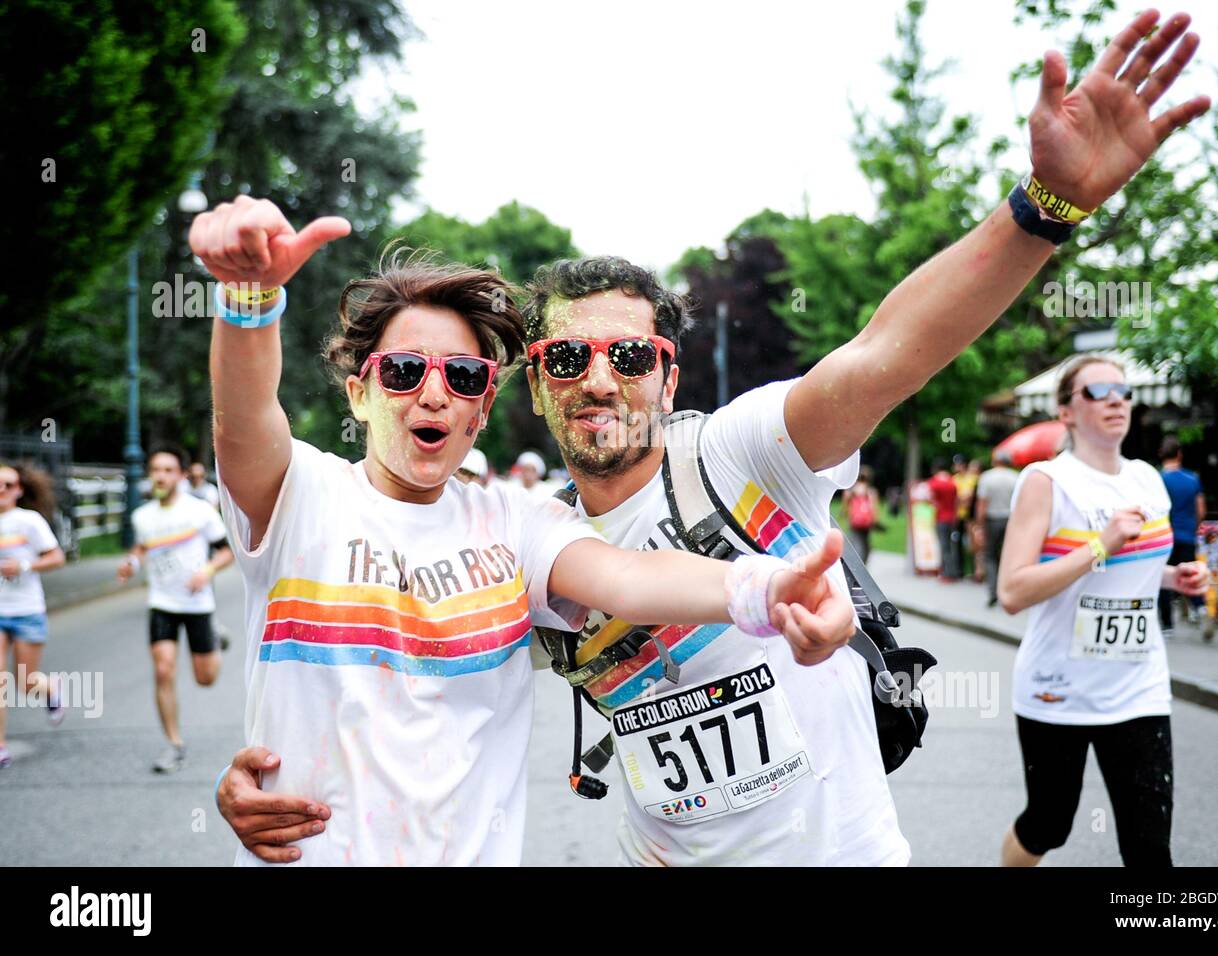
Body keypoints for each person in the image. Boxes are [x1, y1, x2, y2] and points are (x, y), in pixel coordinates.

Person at [212, 9, 1209, 866]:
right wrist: (265, 771)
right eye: (565, 360)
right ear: (527, 389)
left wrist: (1041, 211)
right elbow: (401, 689)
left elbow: (887, 351)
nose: (599, 378)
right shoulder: (521, 538)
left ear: (669, 371)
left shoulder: (741, 454)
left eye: (629, 356)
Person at [191, 203, 854, 866]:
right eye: (403, 371)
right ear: (361, 394)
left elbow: (630, 579)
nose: (433, 393)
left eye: (464, 376)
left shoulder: (513, 522)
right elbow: (243, 417)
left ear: (480, 412)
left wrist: (761, 588)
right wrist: (249, 296)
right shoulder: (298, 496)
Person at [996, 355, 1208, 867]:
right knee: (1048, 823)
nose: (1116, 399)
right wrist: (1100, 543)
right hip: (1059, 686)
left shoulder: (1146, 479)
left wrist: (1173, 578)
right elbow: (1013, 591)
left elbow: (1128, 571)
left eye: (1123, 390)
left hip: (1139, 686)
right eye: (1097, 392)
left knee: (1148, 847)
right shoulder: (1047, 481)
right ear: (1066, 412)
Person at [117, 447, 235, 773]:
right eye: (156, 469)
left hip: (197, 604)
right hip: (162, 603)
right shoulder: (143, 516)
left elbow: (227, 551)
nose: (161, 476)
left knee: (206, 678)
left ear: (182, 476)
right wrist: (131, 562)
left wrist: (206, 572)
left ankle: (215, 636)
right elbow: (142, 547)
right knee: (163, 669)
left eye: (169, 470)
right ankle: (174, 744)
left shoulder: (199, 512)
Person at [0, 462, 68, 768]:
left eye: (9, 485)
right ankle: (1, 746)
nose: (2, 490)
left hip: (27, 610)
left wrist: (24, 566)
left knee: (24, 683)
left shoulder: (29, 521)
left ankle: (51, 688)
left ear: (20, 490)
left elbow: (57, 557)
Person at [1157, 436, 1211, 641]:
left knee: (1163, 579)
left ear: (1161, 455)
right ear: (1179, 454)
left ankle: (1167, 626)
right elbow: (1201, 510)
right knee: (1191, 576)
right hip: (1187, 535)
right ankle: (1202, 609)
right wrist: (1193, 527)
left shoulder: (1158, 480)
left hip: (1165, 538)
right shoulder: (1192, 479)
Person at [976, 450, 1018, 607]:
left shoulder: (987, 477)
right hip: (1010, 520)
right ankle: (1006, 590)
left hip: (992, 519)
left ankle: (993, 590)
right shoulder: (1015, 477)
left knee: (990, 555)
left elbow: (982, 504)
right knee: (1007, 556)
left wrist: (979, 525)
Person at [842, 465, 884, 564]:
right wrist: (876, 521)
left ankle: (855, 564)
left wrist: (845, 514)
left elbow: (845, 506)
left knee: (854, 542)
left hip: (854, 521)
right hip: (866, 523)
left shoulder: (851, 490)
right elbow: (874, 507)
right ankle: (862, 563)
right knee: (865, 544)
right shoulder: (871, 491)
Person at [928, 458, 961, 581]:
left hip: (940, 517)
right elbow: (957, 500)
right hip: (952, 517)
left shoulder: (934, 482)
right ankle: (955, 571)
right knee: (952, 545)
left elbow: (929, 498)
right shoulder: (952, 482)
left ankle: (947, 573)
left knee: (944, 546)